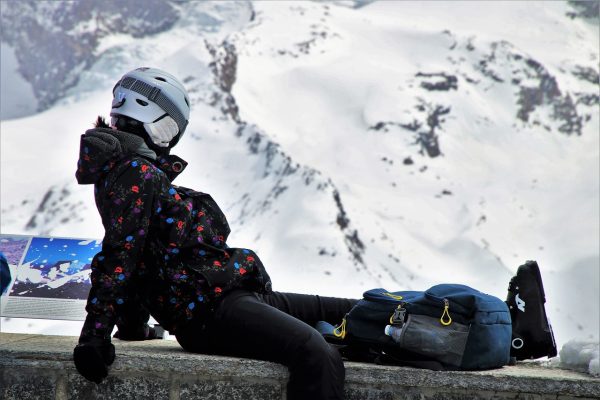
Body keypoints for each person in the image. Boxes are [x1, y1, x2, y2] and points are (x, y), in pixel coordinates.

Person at [73, 67, 356, 400]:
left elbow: (140, 253)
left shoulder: (131, 170)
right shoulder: (133, 173)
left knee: (346, 311)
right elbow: (121, 258)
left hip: (227, 297)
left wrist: (133, 328)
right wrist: (93, 337)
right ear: (161, 122)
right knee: (316, 351)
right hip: (210, 313)